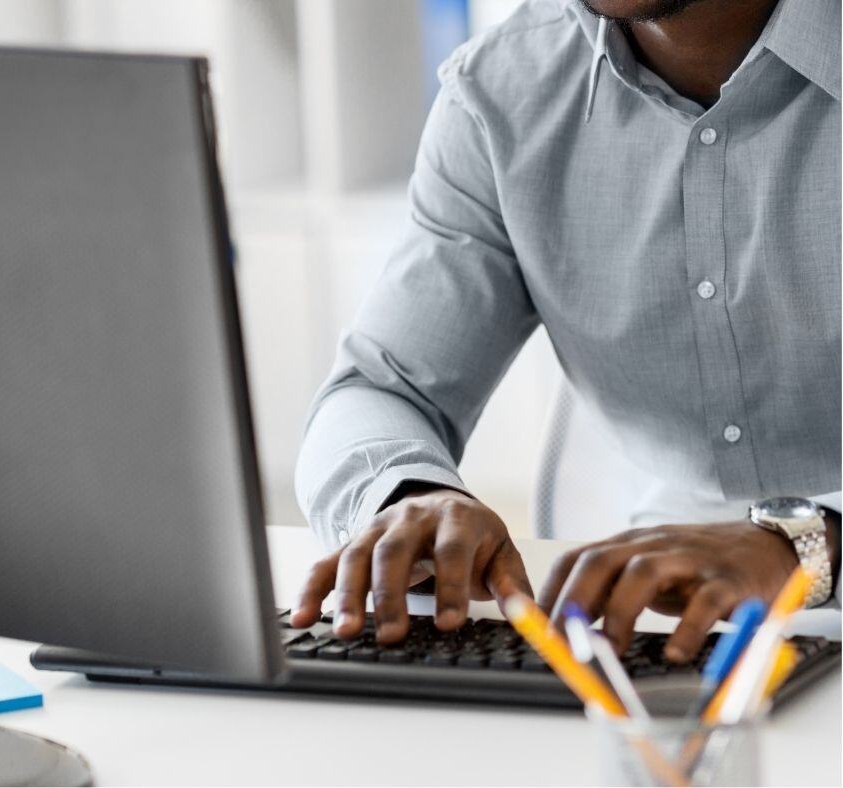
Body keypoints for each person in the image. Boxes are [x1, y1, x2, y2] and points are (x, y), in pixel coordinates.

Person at [290, 0, 841, 663]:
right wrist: (410, 493)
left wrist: (801, 545)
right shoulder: (501, 92)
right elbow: (382, 388)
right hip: (650, 645)